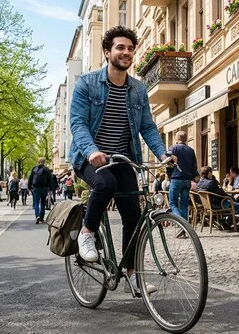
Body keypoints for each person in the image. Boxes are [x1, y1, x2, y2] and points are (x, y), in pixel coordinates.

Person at [68, 25, 174, 297]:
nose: (126, 52)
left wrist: (163, 154)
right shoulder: (87, 84)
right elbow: (78, 123)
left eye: (130, 49)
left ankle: (132, 275)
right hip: (89, 157)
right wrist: (92, 151)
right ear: (107, 52)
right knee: (105, 184)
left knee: (133, 215)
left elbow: (147, 126)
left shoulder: (137, 89)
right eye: (120, 47)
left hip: (122, 158)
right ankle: (87, 233)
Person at [167, 131, 198, 222]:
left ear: (177, 138)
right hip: (187, 180)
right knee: (184, 205)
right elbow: (194, 166)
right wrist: (193, 178)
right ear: (186, 139)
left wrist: (169, 175)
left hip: (176, 178)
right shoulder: (191, 150)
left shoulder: (173, 148)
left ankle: (180, 223)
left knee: (173, 203)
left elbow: (167, 161)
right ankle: (185, 226)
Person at [28, 158, 54, 224]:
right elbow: (50, 180)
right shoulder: (47, 169)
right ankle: (41, 218)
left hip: (36, 188)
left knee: (36, 202)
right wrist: (51, 189)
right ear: (44, 162)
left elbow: (30, 178)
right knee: (43, 202)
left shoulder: (34, 169)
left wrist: (29, 187)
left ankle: (37, 216)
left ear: (38, 162)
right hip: (44, 188)